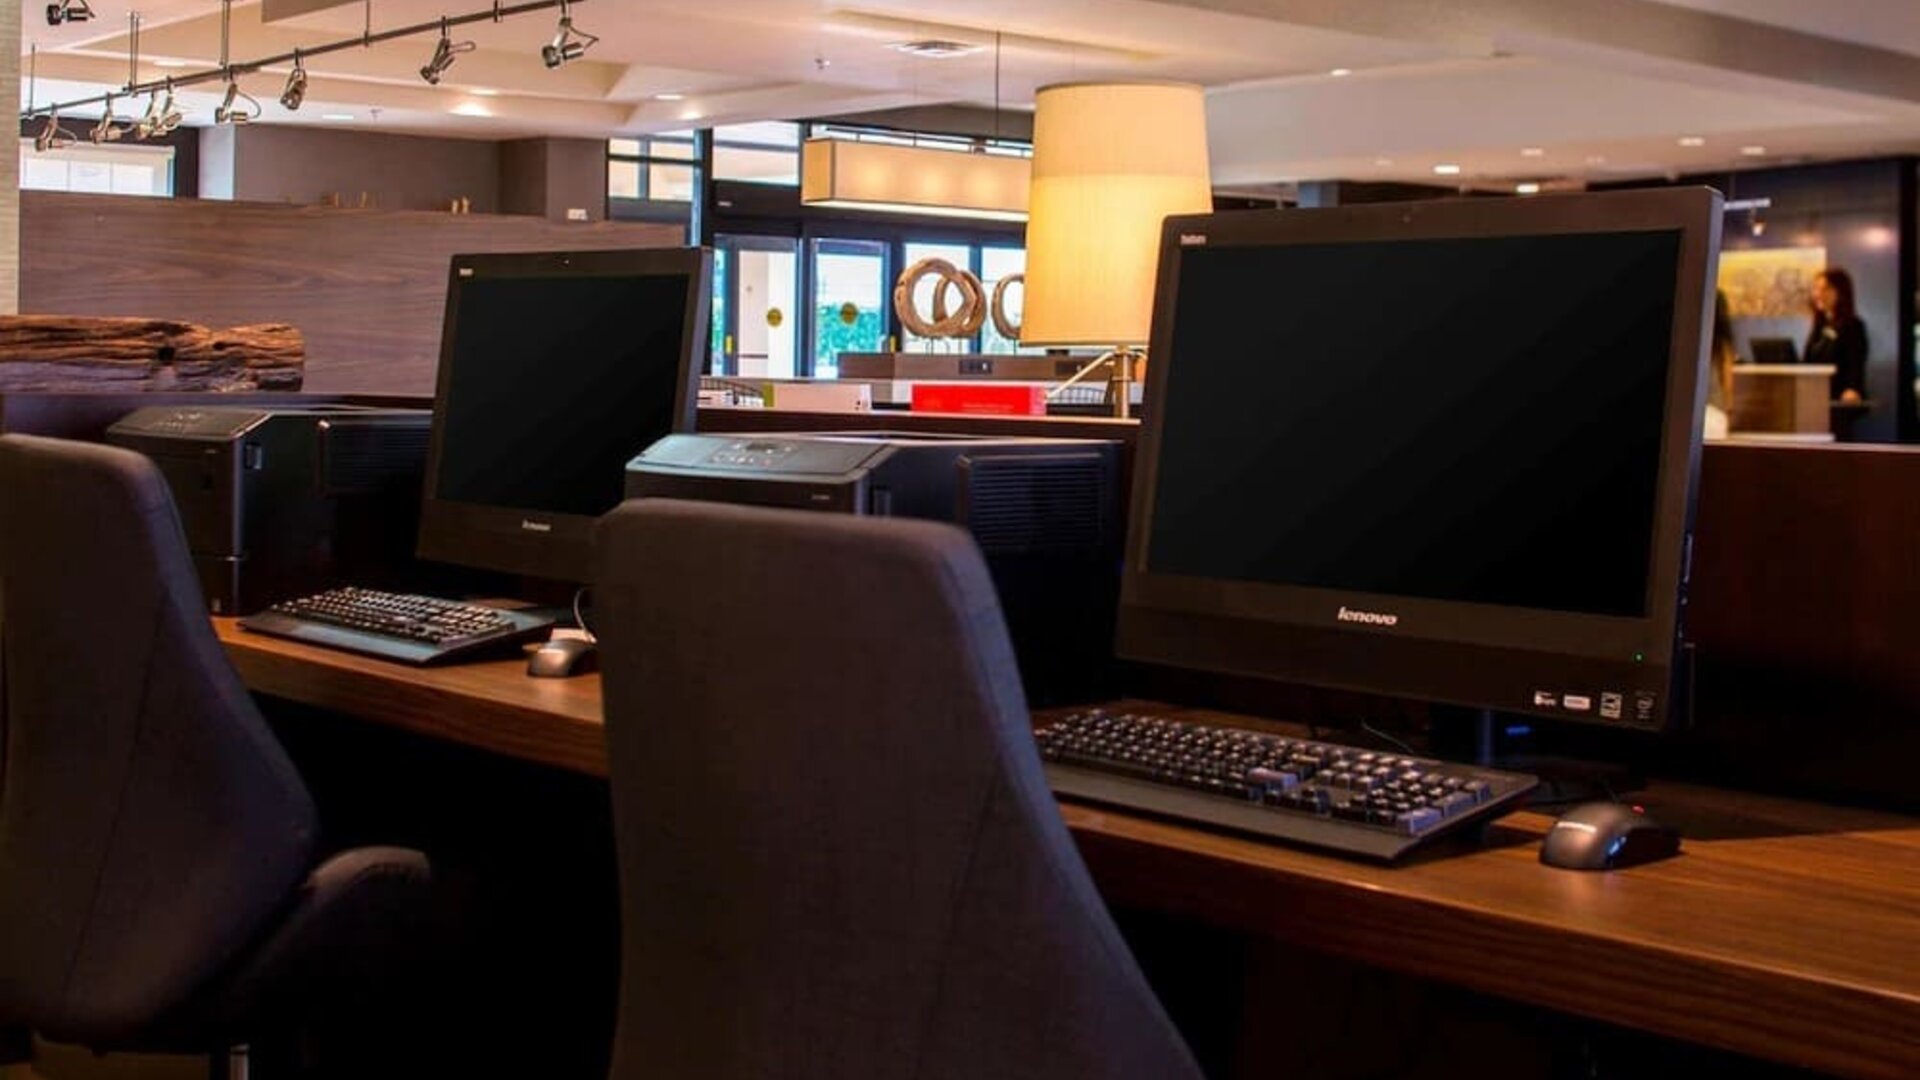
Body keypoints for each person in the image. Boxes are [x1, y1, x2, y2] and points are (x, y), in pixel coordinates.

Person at [1805, 268, 1867, 403]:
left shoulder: (1853, 325)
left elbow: (1856, 362)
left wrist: (1853, 388)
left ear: (1841, 293)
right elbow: (1808, 361)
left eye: (1825, 289)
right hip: (1815, 396)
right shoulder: (1819, 325)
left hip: (1840, 399)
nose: (1818, 294)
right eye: (1816, 289)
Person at [1704, 289, 1736, 439]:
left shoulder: (1692, 340)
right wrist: (1729, 411)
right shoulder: (1722, 345)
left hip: (1692, 414)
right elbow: (1727, 384)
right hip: (1715, 414)